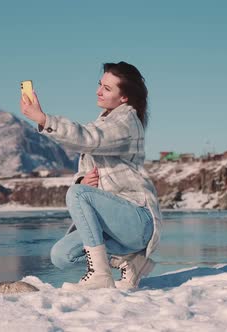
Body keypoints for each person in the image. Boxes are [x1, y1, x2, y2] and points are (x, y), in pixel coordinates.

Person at [19, 61, 161, 290]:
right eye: (100, 84)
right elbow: (87, 166)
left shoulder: (127, 122)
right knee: (61, 255)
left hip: (137, 220)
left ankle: (101, 275)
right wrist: (83, 181)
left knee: (77, 194)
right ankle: (131, 261)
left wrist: (44, 120)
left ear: (124, 98)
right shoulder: (104, 122)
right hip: (113, 223)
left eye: (107, 88)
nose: (98, 91)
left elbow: (88, 139)